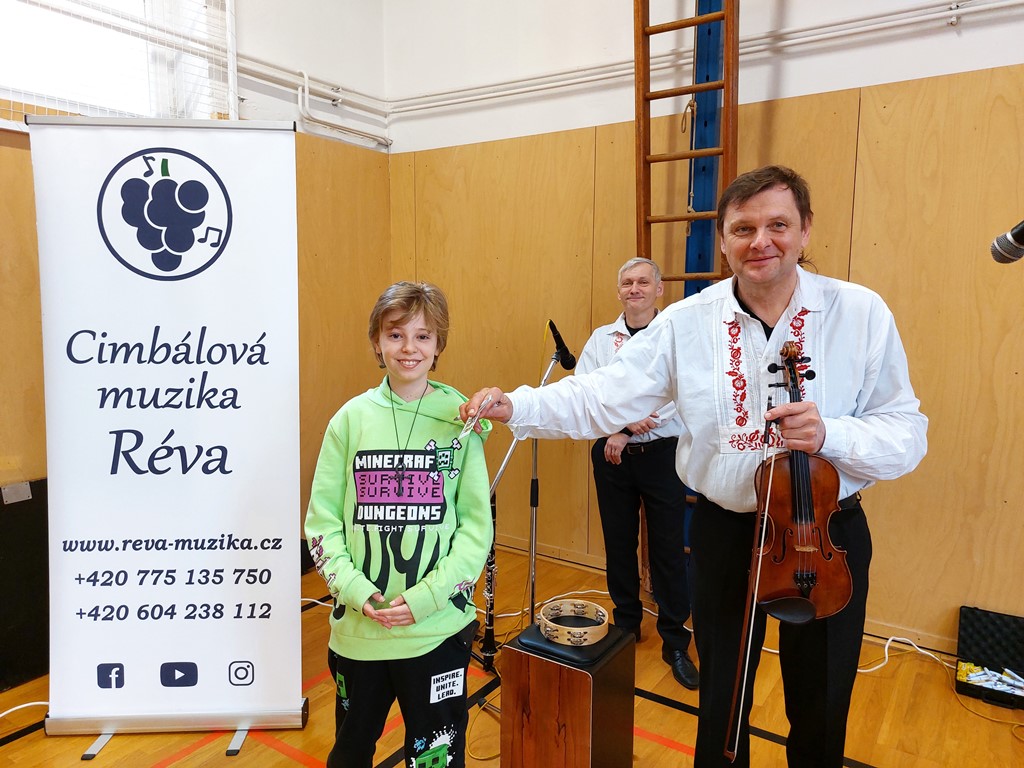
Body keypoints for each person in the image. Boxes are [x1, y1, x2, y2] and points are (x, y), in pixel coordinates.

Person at [459, 165, 927, 768]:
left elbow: (906, 432)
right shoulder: (686, 321)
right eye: (743, 228)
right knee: (722, 703)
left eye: (778, 225)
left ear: (806, 230)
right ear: (724, 240)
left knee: (822, 700)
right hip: (726, 532)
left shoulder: (860, 312)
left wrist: (831, 434)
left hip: (826, 534)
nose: (761, 241)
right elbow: (602, 395)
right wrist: (518, 405)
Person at [305, 281, 493, 768]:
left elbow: (476, 531)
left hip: (437, 632)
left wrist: (427, 598)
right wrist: (356, 591)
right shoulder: (349, 420)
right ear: (377, 342)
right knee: (350, 753)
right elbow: (322, 523)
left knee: (435, 757)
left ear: (438, 345)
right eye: (395, 335)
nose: (409, 348)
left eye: (423, 336)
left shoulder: (462, 422)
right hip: (359, 634)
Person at [577, 256, 698, 689]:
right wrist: (620, 428)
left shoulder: (677, 335)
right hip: (612, 455)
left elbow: (682, 395)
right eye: (627, 283)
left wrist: (628, 428)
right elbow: (588, 392)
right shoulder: (600, 340)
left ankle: (675, 638)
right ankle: (626, 625)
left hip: (662, 453)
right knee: (619, 542)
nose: (635, 289)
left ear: (659, 289)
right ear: (619, 292)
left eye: (643, 282)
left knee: (667, 546)